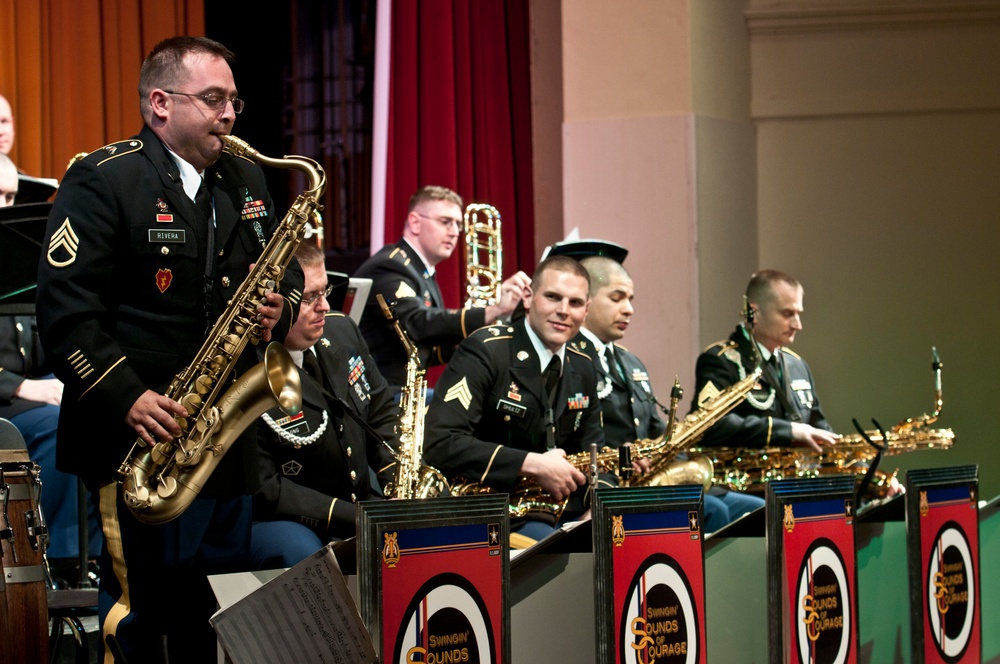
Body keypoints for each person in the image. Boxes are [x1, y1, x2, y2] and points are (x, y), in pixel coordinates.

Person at [36, 36, 302, 662]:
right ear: (160, 103)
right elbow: (67, 314)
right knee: (139, 617)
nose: (229, 114)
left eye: (234, 100)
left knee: (214, 614)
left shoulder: (247, 177)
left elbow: (284, 273)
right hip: (137, 442)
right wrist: (128, 398)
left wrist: (279, 309)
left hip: (225, 442)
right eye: (213, 100)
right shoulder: (103, 177)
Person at [423, 255, 610, 542]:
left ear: (586, 311)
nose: (563, 311)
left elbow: (595, 455)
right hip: (491, 514)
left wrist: (597, 508)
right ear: (528, 297)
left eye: (574, 303)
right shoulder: (486, 350)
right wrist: (532, 463)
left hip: (557, 513)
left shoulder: (584, 365)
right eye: (552, 297)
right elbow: (440, 441)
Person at [574, 255, 763, 532]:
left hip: (651, 479)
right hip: (612, 486)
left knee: (757, 509)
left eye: (631, 299)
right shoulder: (572, 360)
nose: (629, 310)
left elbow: (655, 428)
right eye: (617, 298)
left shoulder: (631, 363)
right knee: (713, 511)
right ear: (586, 301)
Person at [250, 242, 398, 569]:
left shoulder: (341, 329)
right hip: (292, 523)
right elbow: (266, 489)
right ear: (273, 303)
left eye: (325, 291)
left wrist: (395, 477)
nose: (324, 306)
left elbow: (381, 410)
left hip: (358, 504)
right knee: (302, 553)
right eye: (309, 298)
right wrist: (353, 516)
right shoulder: (249, 372)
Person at [1, 153, 103, 575]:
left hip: (30, 394)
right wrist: (24, 388)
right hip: (9, 400)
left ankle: (95, 555)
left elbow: (41, 344)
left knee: (95, 409)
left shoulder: (17, 257)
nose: (7, 206)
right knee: (55, 424)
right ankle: (59, 558)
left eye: (10, 195)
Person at [354, 185, 530, 390]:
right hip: (378, 397)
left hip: (400, 393)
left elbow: (429, 348)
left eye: (458, 224)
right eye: (446, 222)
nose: (455, 232)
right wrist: (492, 310)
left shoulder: (420, 271)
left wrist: (483, 338)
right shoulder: (390, 266)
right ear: (415, 223)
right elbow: (417, 325)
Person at [693, 269, 839, 451]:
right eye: (787, 314)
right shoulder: (721, 360)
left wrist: (861, 468)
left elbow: (820, 430)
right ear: (754, 312)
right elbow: (708, 426)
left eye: (798, 313)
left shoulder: (798, 366)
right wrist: (788, 431)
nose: (797, 325)